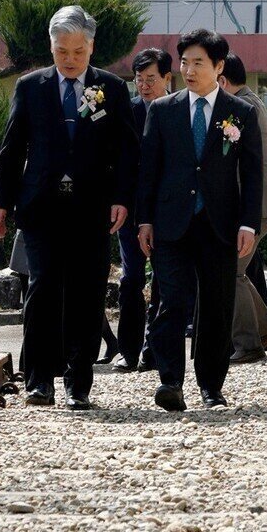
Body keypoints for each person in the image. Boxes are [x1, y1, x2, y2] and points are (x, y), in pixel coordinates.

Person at [0, 5, 139, 410]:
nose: (70, 60)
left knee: (87, 294)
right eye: (62, 52)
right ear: (51, 47)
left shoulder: (111, 88)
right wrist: (0, 202)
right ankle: (39, 381)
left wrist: (123, 197)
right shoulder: (30, 86)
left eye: (78, 51)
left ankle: (80, 384)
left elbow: (127, 151)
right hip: (40, 206)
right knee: (41, 290)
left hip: (93, 208)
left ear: (91, 47)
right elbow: (11, 148)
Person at [137, 29, 262, 411]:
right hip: (171, 223)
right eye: (185, 62)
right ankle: (170, 381)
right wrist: (144, 220)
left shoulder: (240, 112)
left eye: (199, 63)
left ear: (218, 66)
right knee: (171, 302)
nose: (189, 71)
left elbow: (253, 173)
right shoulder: (163, 110)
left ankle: (211, 387)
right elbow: (149, 170)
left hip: (220, 224)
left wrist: (248, 224)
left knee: (216, 306)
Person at [217, 54, 267, 362]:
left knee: (230, 274)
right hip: (257, 204)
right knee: (235, 273)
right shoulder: (252, 102)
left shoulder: (241, 109)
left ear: (222, 80)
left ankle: (250, 344)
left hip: (254, 206)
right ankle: (266, 330)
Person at [112, 47, 172, 373]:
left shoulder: (178, 110)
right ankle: (128, 351)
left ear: (167, 78)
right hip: (131, 211)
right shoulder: (128, 111)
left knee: (163, 280)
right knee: (131, 279)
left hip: (166, 210)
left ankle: (154, 352)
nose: (144, 85)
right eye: (139, 79)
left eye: (151, 79)